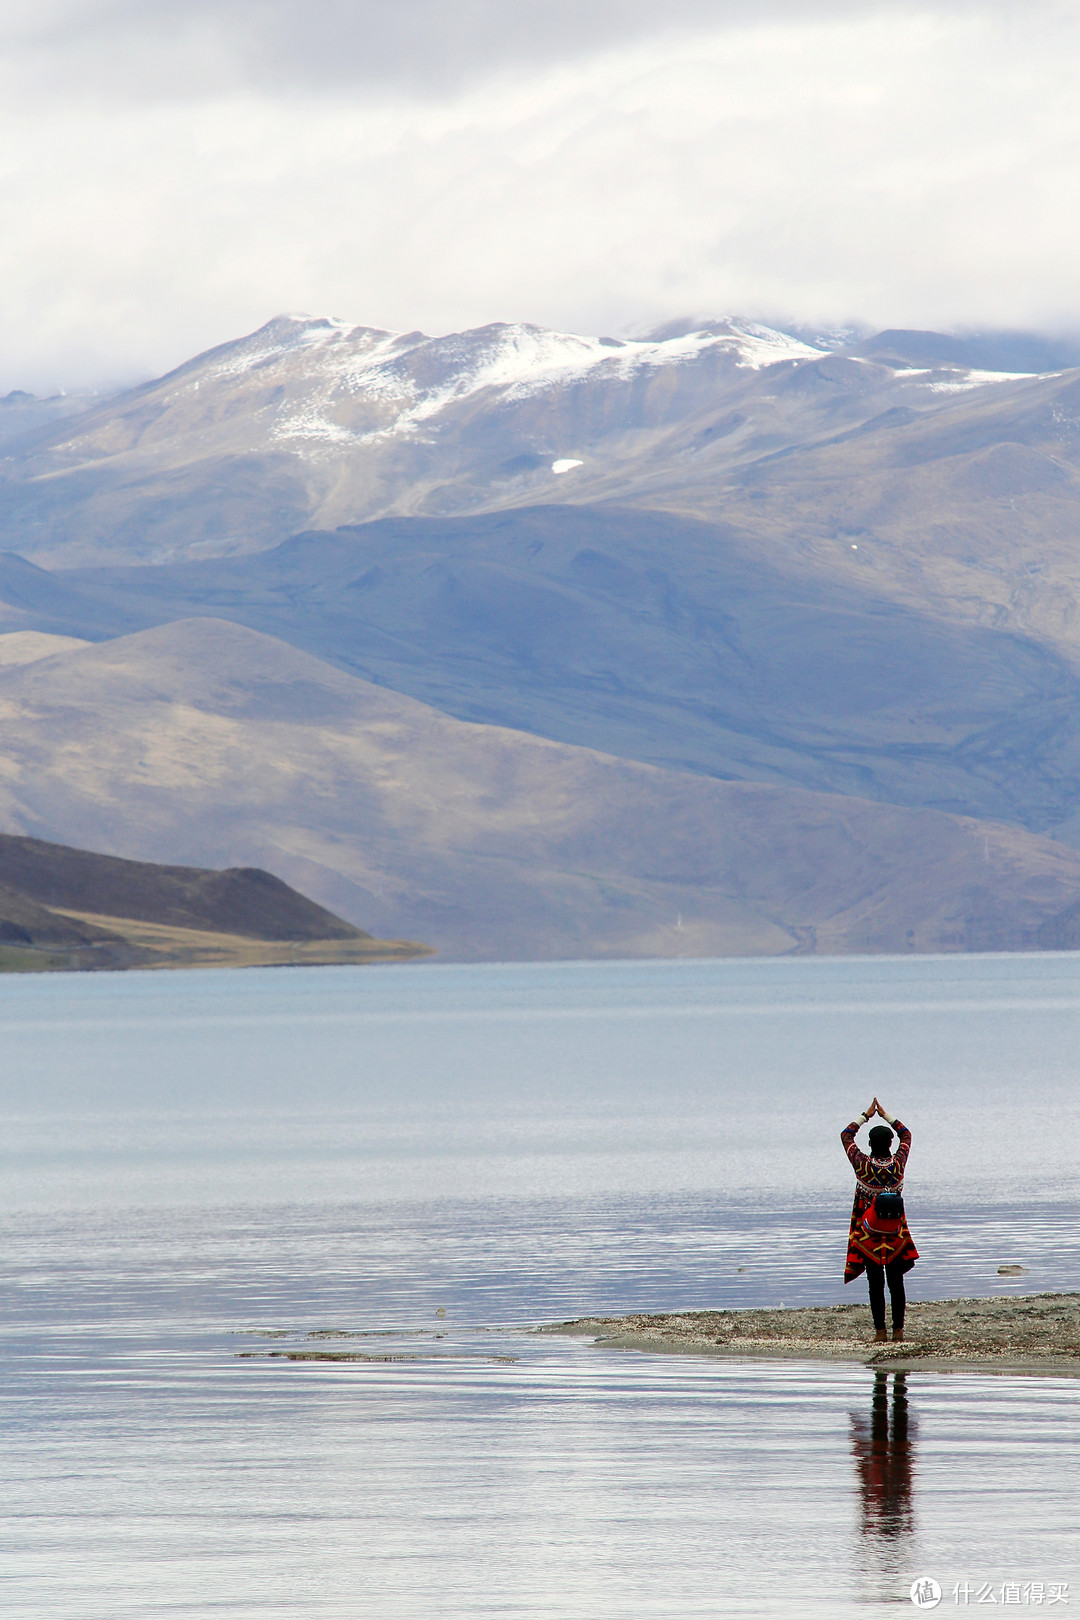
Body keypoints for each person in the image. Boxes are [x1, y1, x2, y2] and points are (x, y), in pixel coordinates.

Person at [841, 1098, 918, 1343]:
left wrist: (866, 1114)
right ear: (891, 1143)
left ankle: (879, 1332)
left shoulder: (863, 1165)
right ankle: (899, 1332)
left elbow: (846, 1136)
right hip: (896, 1233)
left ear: (870, 1144)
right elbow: (906, 1135)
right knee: (897, 1284)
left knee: (875, 1284)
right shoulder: (898, 1164)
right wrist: (886, 1116)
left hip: (868, 1235)